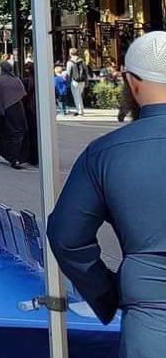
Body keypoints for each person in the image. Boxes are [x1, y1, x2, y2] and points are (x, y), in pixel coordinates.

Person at [47, 31, 166, 356]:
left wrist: (106, 295)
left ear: (132, 82)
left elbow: (66, 236)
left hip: (151, 314)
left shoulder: (105, 153)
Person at [0, 61, 27, 169]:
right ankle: (14, 157)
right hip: (15, 110)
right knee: (15, 133)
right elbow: (22, 94)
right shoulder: (16, 80)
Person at [64, 48, 89, 116]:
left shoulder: (70, 62)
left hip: (74, 81)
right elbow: (86, 71)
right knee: (79, 95)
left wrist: (67, 81)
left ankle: (80, 110)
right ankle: (80, 110)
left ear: (71, 53)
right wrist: (87, 80)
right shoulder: (82, 61)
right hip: (82, 80)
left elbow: (68, 73)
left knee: (76, 96)